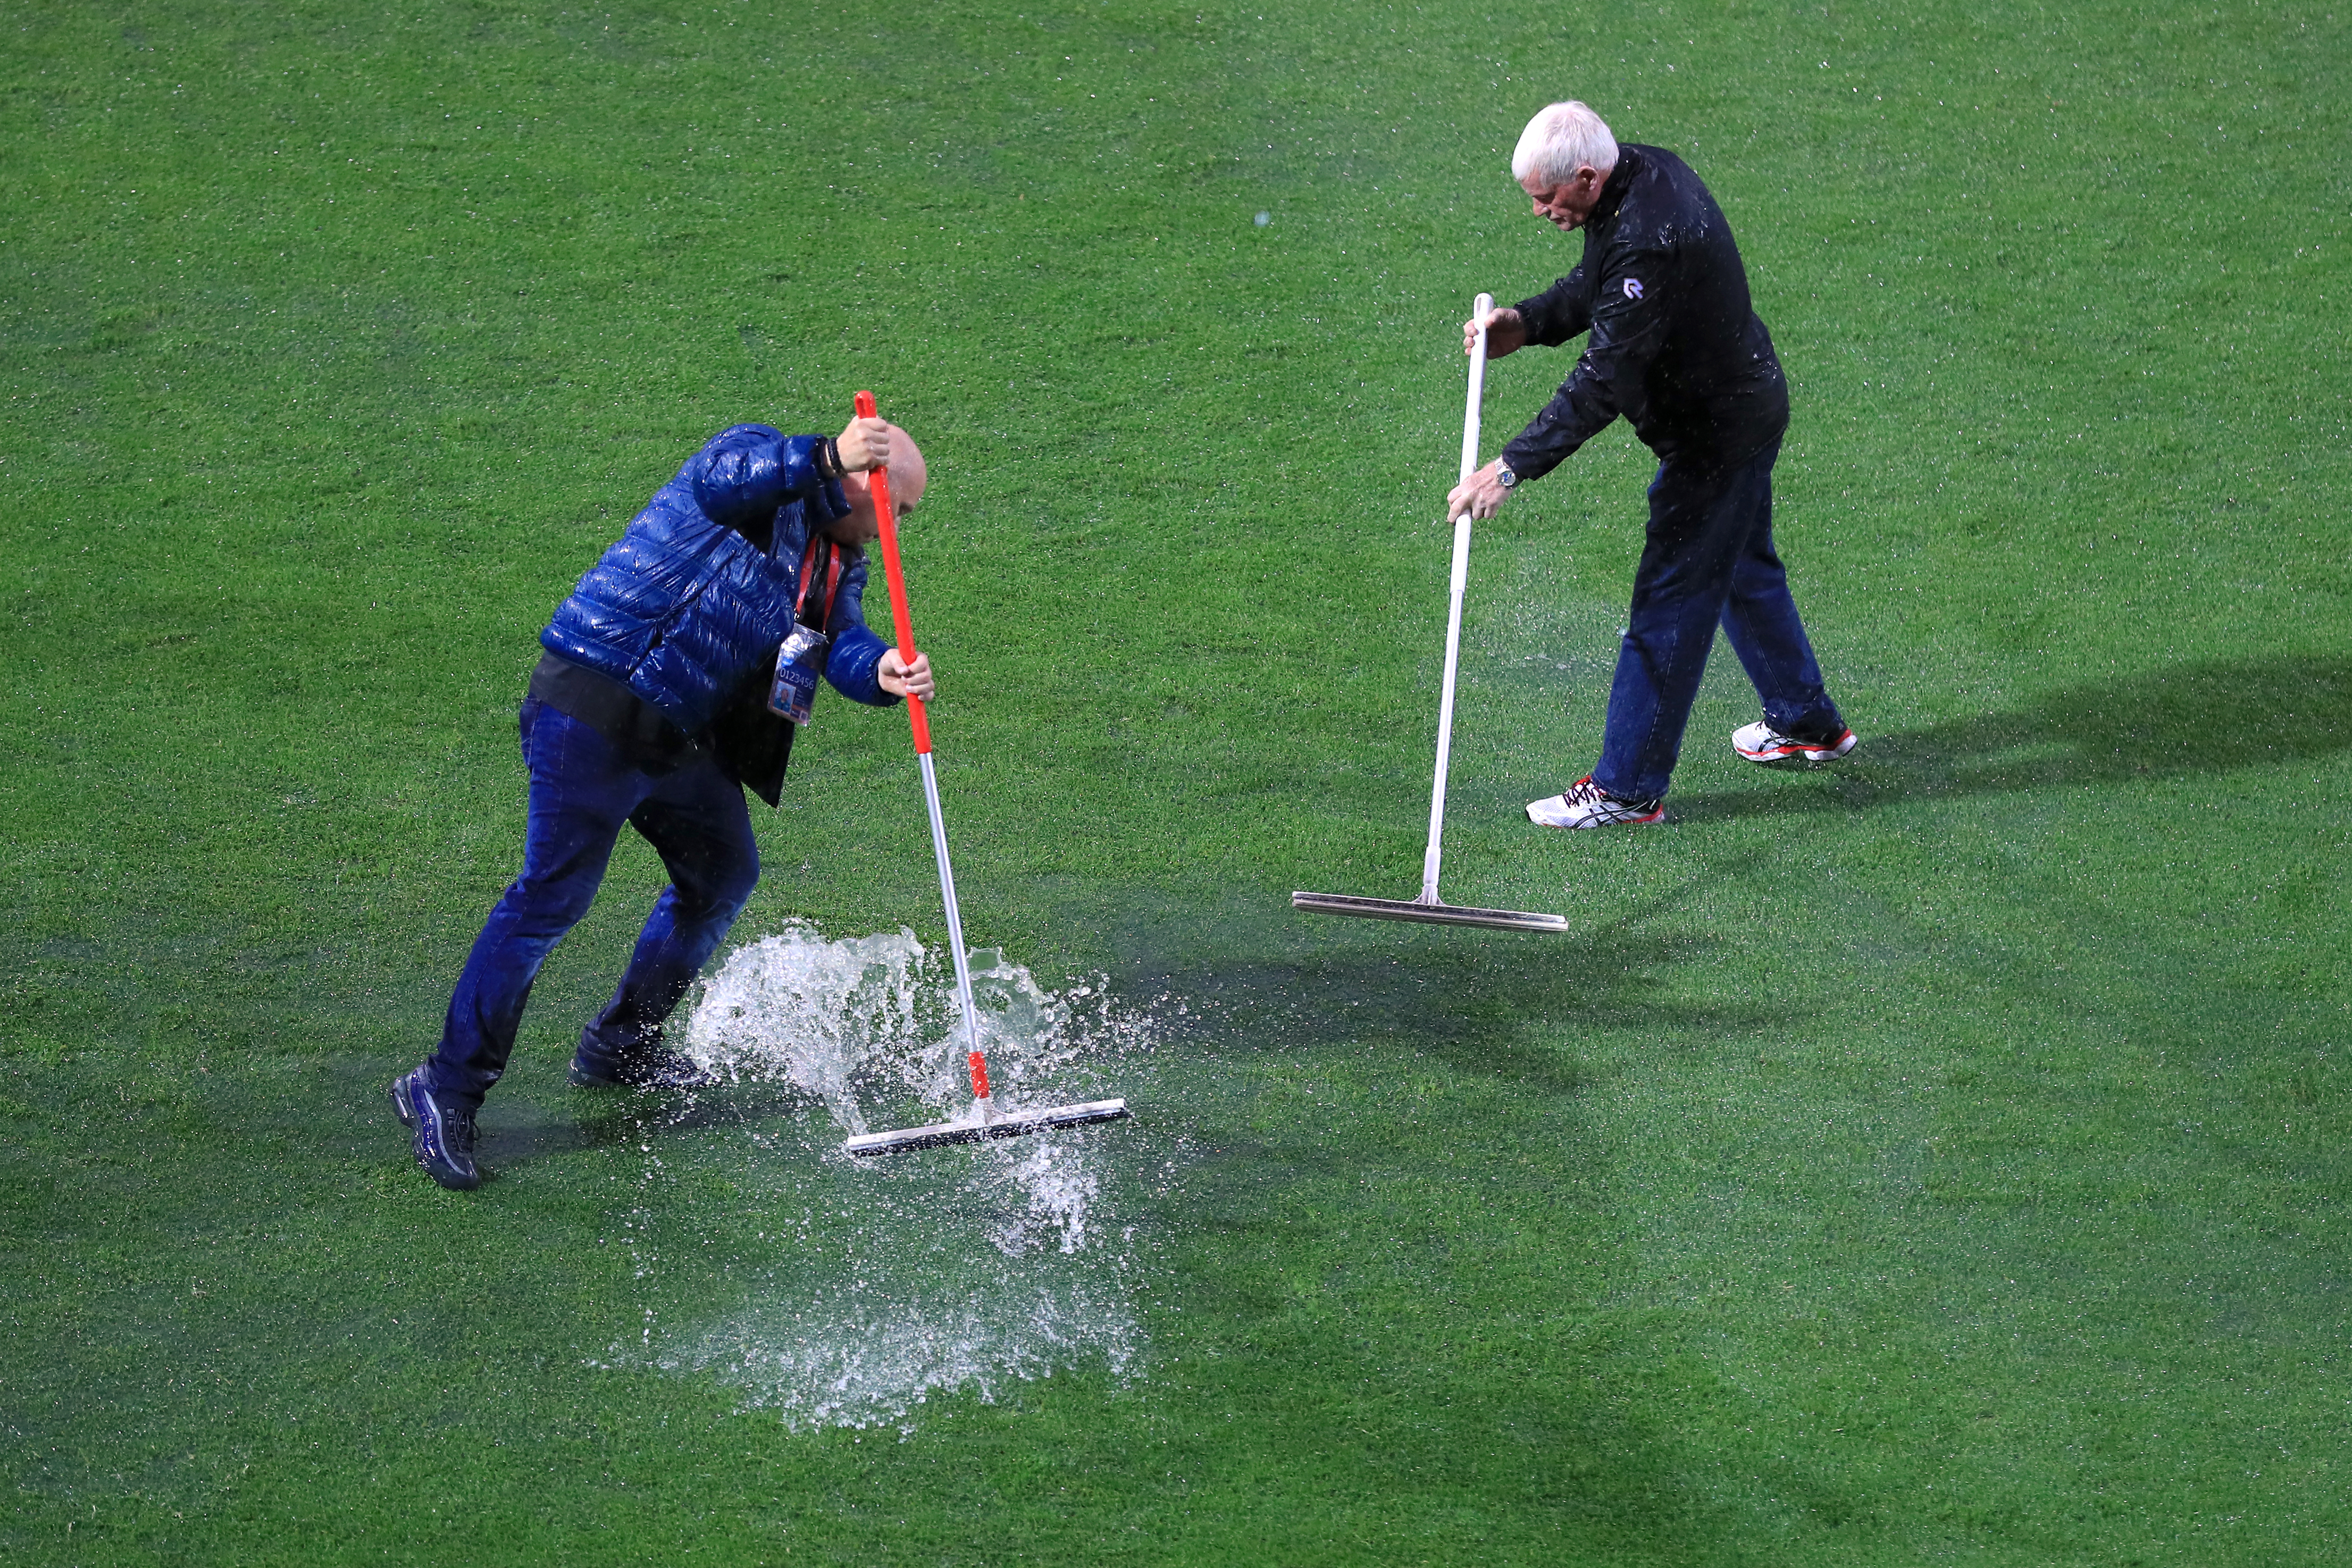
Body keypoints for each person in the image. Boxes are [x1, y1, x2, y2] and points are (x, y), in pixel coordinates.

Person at [391, 414, 935, 1189]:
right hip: (594, 704)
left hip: (677, 731)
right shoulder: (762, 460)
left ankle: (621, 1045)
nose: (890, 532)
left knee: (722, 873)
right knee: (552, 898)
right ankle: (445, 1087)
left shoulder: (834, 555)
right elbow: (722, 483)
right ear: (857, 475)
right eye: (891, 509)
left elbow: (835, 638)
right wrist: (820, 456)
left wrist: (881, 667)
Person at [1448, 102, 1855, 829]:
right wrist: (1529, 322)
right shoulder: (1634, 170)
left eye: (1545, 197)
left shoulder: (1649, 235)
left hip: (1716, 437)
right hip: (1747, 405)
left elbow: (1606, 379)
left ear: (1584, 176)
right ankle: (1805, 720)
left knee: (1670, 601)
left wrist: (1507, 468)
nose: (1538, 211)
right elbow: (1599, 286)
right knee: (1741, 565)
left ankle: (1626, 788)